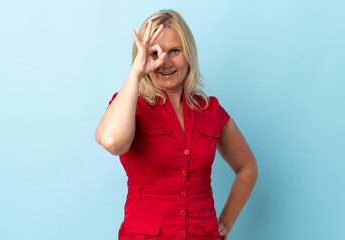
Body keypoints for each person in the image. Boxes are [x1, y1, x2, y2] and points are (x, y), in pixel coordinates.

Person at [95, 9, 258, 240]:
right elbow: (112, 142)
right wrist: (136, 73)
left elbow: (247, 167)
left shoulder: (209, 110)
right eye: (155, 53)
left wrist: (226, 223)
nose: (165, 62)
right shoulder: (129, 105)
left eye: (174, 51)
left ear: (188, 54)